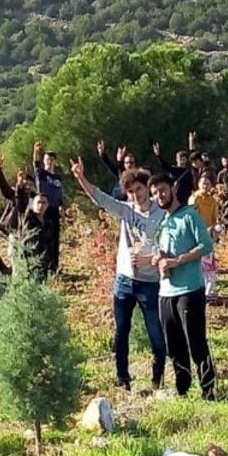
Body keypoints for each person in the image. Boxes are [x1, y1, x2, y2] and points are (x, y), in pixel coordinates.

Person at [70, 157, 167, 391]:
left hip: (149, 282)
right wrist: (80, 176)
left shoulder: (161, 215)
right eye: (131, 192)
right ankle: (123, 379)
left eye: (139, 189)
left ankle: (157, 379)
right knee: (121, 332)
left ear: (147, 188)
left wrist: (150, 258)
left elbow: (168, 246)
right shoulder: (126, 211)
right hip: (124, 280)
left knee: (156, 333)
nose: (135, 195)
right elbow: (100, 199)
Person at [149, 173, 216, 400]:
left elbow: (206, 245)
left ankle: (208, 390)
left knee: (196, 341)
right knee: (174, 345)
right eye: (155, 192)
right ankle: (183, 389)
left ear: (173, 189)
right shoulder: (162, 222)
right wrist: (157, 259)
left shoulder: (190, 215)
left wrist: (178, 261)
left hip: (190, 290)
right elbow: (162, 251)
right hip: (165, 292)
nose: (160, 195)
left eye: (163, 190)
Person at [32, 141, 65, 273]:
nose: (49, 162)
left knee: (55, 238)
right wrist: (36, 151)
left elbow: (59, 194)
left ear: (55, 162)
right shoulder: (41, 174)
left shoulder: (58, 178)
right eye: (47, 159)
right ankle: (42, 265)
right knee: (43, 237)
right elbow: (35, 164)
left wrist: (62, 206)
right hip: (43, 209)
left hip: (55, 210)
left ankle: (54, 265)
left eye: (51, 160)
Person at [190, 173, 223, 299]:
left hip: (209, 234)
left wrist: (216, 231)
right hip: (196, 235)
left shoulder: (212, 200)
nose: (205, 186)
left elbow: (215, 218)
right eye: (203, 183)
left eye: (208, 184)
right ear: (198, 185)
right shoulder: (195, 198)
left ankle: (208, 290)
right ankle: (199, 288)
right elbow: (191, 217)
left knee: (209, 263)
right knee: (199, 263)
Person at [152, 131, 199, 206]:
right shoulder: (174, 170)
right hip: (175, 198)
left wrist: (191, 142)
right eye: (180, 159)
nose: (182, 161)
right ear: (177, 159)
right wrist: (158, 155)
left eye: (184, 159)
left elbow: (192, 155)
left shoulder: (188, 170)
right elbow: (164, 165)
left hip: (186, 198)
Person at [0, 155, 36, 232]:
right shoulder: (14, 194)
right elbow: (3, 185)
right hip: (14, 230)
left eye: (31, 185)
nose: (28, 187)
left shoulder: (36, 199)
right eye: (26, 184)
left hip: (31, 231)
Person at [22, 194, 58, 278]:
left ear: (47, 205)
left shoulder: (49, 222)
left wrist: (53, 262)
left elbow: (52, 243)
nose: (41, 205)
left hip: (46, 263)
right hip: (31, 263)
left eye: (43, 203)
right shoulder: (28, 220)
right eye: (38, 202)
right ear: (33, 204)